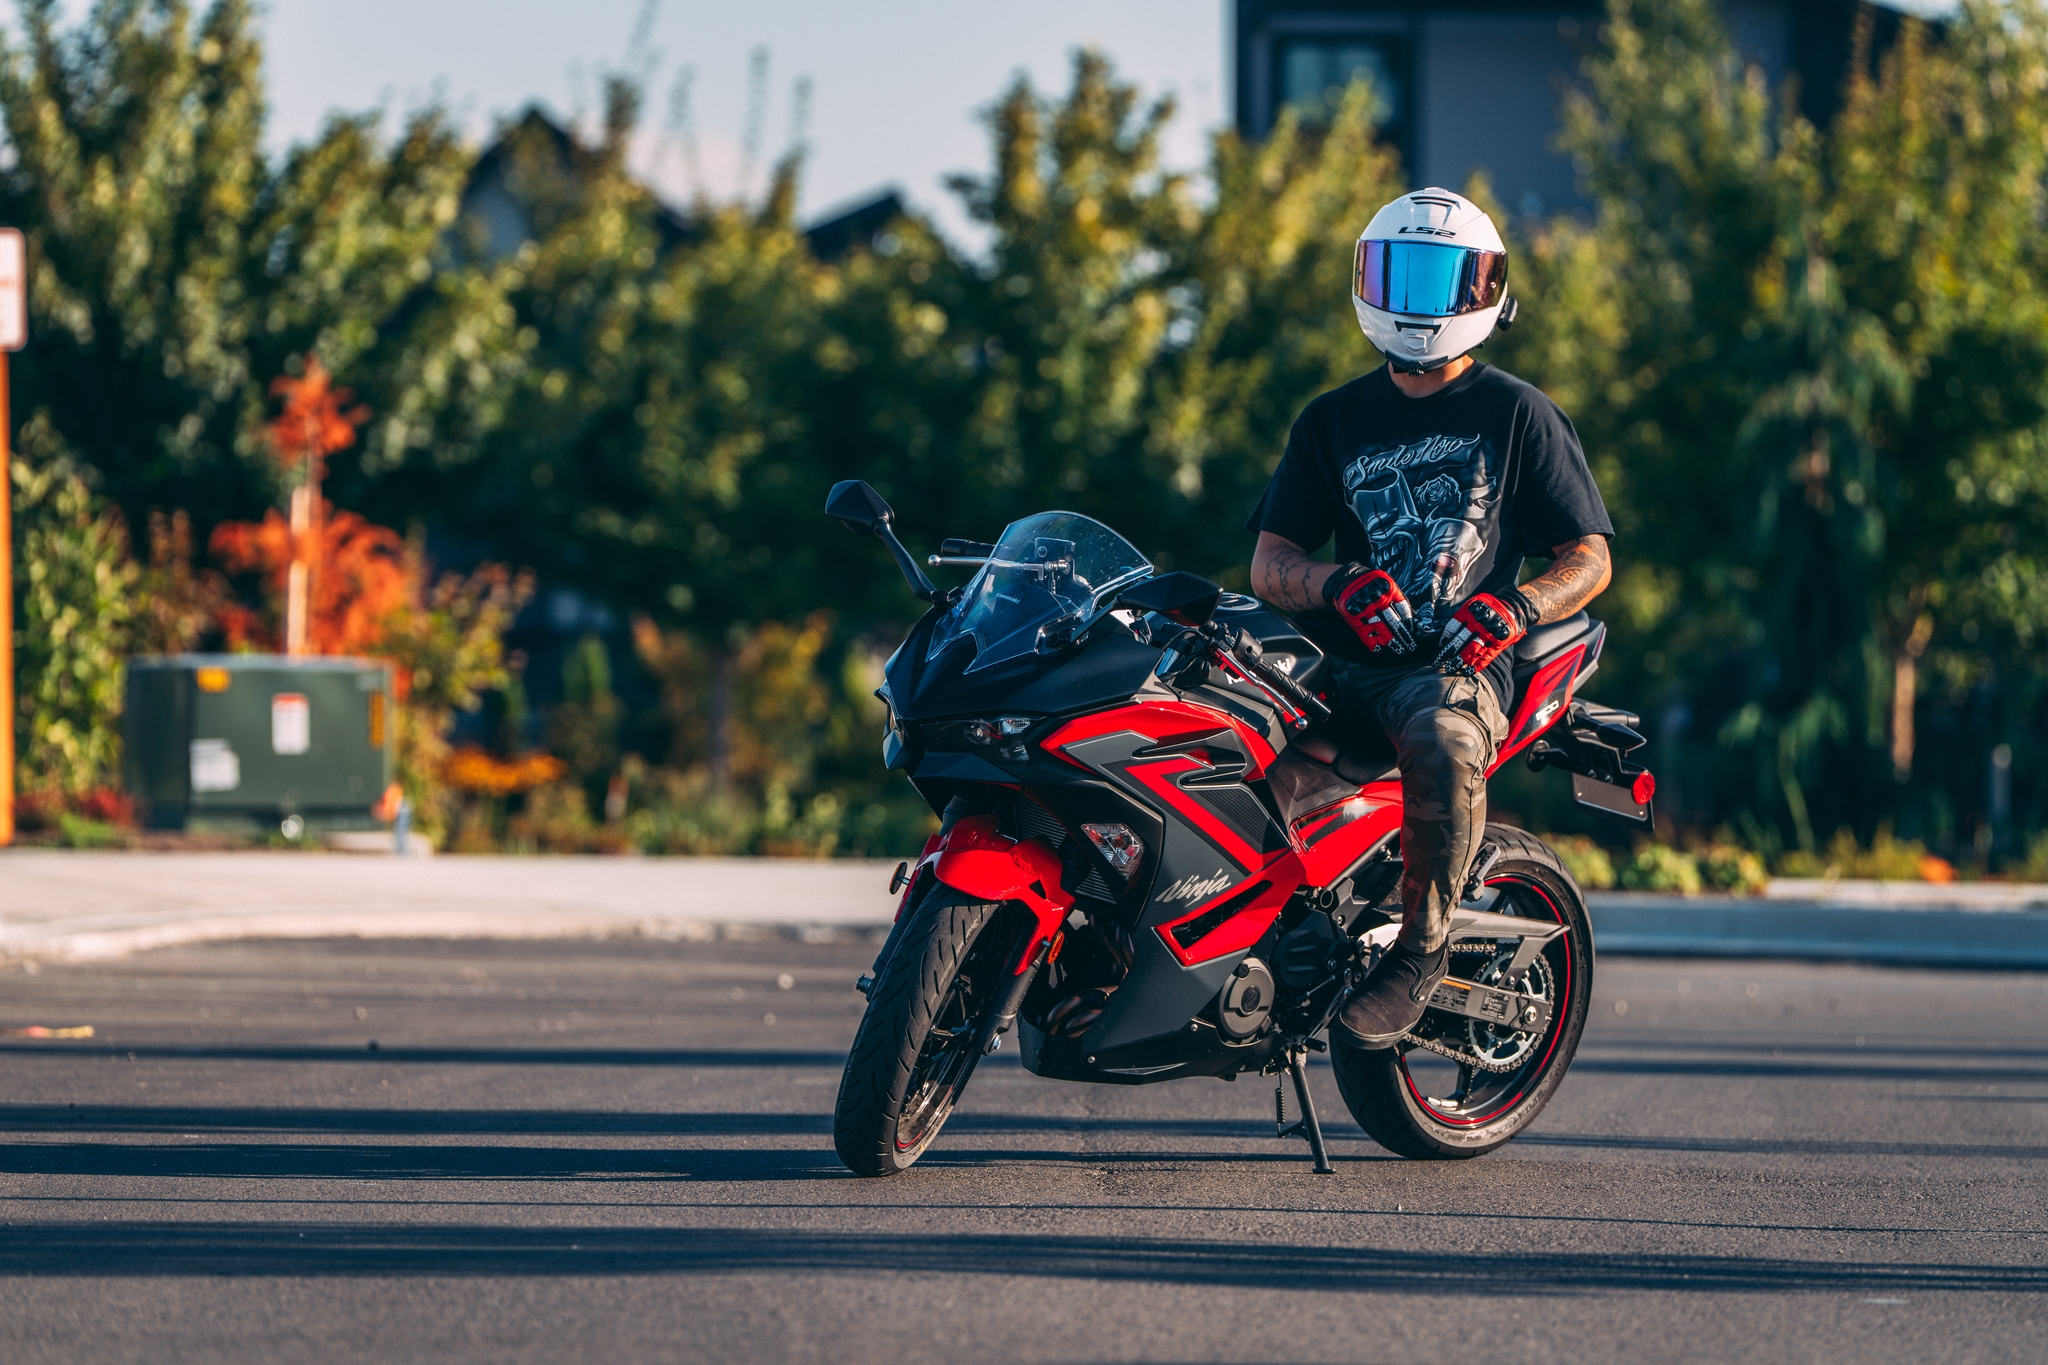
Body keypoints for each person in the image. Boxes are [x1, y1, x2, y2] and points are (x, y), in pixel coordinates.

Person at [1245, 188, 1614, 1048]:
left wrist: (1517, 606)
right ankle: (1283, 952)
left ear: (1484, 291)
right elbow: (1269, 563)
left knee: (1444, 741)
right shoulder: (1330, 420)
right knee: (1223, 770)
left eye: (1441, 278)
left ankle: (1421, 953)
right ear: (1366, 282)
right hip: (1338, 674)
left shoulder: (1519, 414)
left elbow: (1590, 558)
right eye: (1399, 274)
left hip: (1455, 670)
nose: (1417, 300)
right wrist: (1335, 584)